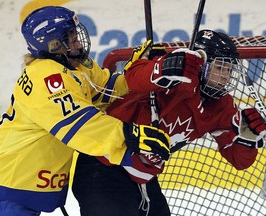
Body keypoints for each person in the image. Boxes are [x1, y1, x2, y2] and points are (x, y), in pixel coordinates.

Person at [0, 6, 171, 216]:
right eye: (71, 38)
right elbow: (81, 125)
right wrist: (128, 135)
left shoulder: (74, 66)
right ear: (53, 45)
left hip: (18, 179)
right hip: (8, 184)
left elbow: (106, 90)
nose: (78, 42)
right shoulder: (46, 78)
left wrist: (144, 73)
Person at [72, 29, 266, 216]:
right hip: (103, 168)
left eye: (229, 70)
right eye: (220, 68)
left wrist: (247, 138)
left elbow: (240, 162)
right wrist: (158, 67)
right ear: (202, 64)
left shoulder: (221, 106)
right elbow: (133, 77)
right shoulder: (176, 75)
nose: (225, 76)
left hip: (143, 178)